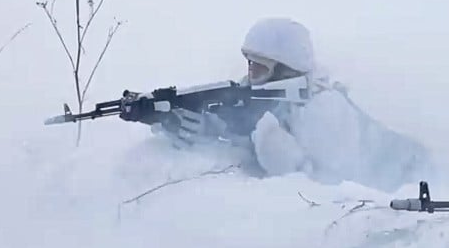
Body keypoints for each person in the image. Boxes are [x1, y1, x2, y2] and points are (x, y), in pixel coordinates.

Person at [147, 17, 432, 192]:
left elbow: (337, 187)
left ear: (284, 70)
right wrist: (207, 129)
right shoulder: (269, 96)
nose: (250, 76)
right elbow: (244, 131)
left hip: (413, 173)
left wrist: (280, 156)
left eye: (259, 67)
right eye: (250, 64)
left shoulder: (323, 109)